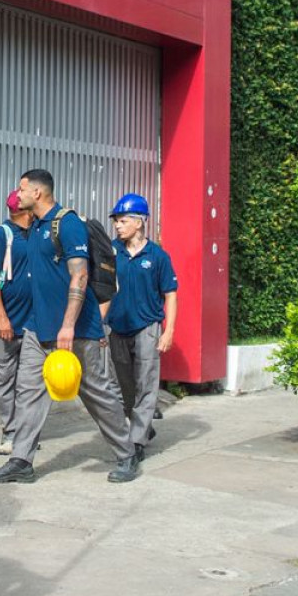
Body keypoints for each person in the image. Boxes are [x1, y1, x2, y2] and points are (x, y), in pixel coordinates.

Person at [0, 170, 139, 484]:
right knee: (28, 392)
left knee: (95, 392)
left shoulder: (66, 224)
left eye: (22, 188)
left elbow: (79, 275)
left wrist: (68, 325)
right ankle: (21, 460)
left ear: (37, 193)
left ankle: (127, 452)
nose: (18, 193)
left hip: (76, 330)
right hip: (36, 328)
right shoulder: (35, 226)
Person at [105, 194, 177, 456]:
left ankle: (136, 442)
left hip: (147, 327)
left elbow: (170, 293)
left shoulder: (157, 256)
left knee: (146, 385)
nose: (118, 226)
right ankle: (142, 427)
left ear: (139, 222)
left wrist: (168, 331)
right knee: (123, 387)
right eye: (116, 221)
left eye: (123, 221)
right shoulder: (111, 252)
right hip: (118, 328)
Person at [0, 188, 37, 456]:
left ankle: (25, 433)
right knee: (4, 382)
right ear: (22, 212)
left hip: (31, 323)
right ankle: (10, 431)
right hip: (3, 324)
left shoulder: (36, 233)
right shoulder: (1, 234)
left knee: (28, 383)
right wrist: (2, 317)